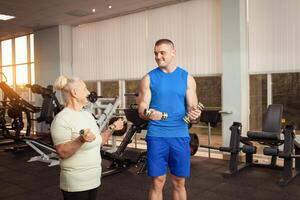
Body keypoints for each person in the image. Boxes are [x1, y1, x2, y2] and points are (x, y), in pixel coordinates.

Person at [138, 39, 201, 200]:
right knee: (157, 181)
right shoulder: (149, 78)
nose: (158, 56)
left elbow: (193, 109)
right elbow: (142, 108)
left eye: (162, 52)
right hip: (157, 135)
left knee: (179, 182)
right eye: (155, 53)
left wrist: (195, 115)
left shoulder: (187, 78)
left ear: (173, 52)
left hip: (180, 135)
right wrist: (148, 112)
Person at [50, 75, 124, 200]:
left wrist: (112, 128)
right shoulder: (61, 119)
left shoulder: (87, 115)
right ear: (75, 93)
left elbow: (98, 142)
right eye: (85, 89)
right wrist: (81, 140)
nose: (88, 92)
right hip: (76, 184)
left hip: (94, 180)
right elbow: (62, 152)